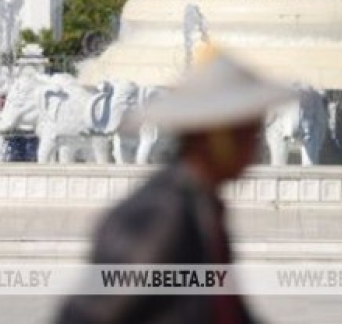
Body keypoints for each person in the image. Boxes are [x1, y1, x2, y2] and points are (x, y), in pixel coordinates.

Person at [57, 49, 295, 324]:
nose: (255, 148)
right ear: (219, 137)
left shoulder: (201, 205)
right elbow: (89, 314)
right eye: (248, 135)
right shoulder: (162, 214)